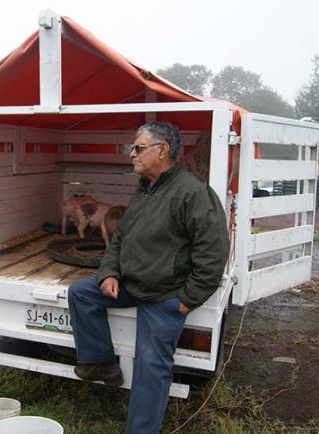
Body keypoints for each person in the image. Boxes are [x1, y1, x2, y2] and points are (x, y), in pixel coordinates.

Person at [68, 122, 229, 434]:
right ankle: (101, 364)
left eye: (139, 148)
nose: (132, 154)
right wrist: (109, 273)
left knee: (149, 368)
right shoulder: (144, 189)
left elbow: (214, 252)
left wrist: (186, 299)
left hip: (165, 296)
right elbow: (119, 239)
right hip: (132, 284)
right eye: (133, 148)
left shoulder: (193, 193)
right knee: (81, 292)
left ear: (163, 150)